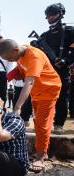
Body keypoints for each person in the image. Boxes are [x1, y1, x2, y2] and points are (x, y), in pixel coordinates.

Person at [0, 39, 61, 172]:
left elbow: (29, 83)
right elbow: (22, 68)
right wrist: (11, 74)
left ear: (15, 50)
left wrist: (17, 107)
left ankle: (41, 156)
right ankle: (42, 150)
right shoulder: (20, 54)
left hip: (49, 89)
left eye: (10, 58)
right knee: (38, 120)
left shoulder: (34, 56)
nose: (10, 61)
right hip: (37, 91)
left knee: (42, 122)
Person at [38, 3, 74, 134]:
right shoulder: (44, 36)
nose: (50, 18)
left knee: (62, 97)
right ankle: (43, 123)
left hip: (63, 69)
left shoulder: (70, 32)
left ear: (60, 14)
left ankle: (58, 124)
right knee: (45, 98)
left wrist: (66, 60)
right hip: (47, 71)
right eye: (48, 16)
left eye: (53, 14)